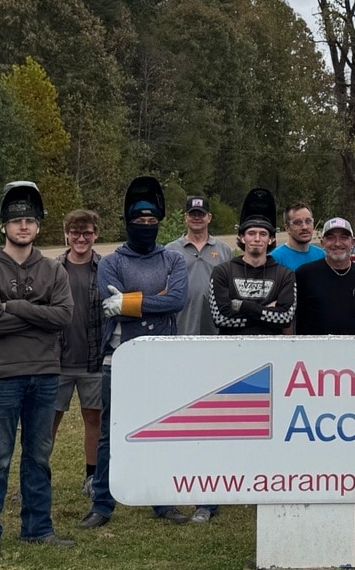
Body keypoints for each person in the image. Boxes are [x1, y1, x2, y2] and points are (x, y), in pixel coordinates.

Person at [0, 181, 74, 559]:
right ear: (4, 226)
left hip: (45, 372)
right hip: (0, 374)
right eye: (16, 221)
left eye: (30, 220)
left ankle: (37, 528)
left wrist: (16, 306)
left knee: (38, 455)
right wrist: (37, 314)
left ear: (38, 226)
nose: (24, 227)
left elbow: (63, 316)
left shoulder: (52, 269)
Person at [85, 177, 191, 527]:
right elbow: (108, 302)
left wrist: (130, 301)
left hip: (162, 358)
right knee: (109, 433)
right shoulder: (111, 262)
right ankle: (102, 503)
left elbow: (176, 300)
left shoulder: (173, 259)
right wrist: (154, 300)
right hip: (117, 357)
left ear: (159, 222)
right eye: (138, 222)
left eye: (151, 222)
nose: (145, 227)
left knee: (160, 430)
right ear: (128, 223)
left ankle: (161, 500)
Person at [53, 209, 106, 495]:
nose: (81, 238)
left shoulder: (106, 267)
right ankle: (36, 476)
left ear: (96, 235)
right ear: (67, 234)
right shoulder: (52, 267)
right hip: (56, 360)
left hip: (93, 359)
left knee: (93, 418)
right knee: (49, 419)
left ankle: (92, 476)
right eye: (75, 232)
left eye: (87, 233)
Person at [210, 189, 299, 338]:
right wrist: (267, 313)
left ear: (270, 239)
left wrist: (241, 305)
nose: (257, 239)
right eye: (251, 233)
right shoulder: (222, 272)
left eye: (263, 234)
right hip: (232, 351)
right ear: (242, 237)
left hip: (271, 353)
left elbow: (285, 318)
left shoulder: (285, 275)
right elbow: (220, 318)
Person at [294, 217, 355, 336]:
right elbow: (291, 318)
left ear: (352, 242)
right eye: (330, 238)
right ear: (322, 243)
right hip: (313, 352)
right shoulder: (304, 275)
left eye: (344, 237)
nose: (337, 243)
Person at [167, 193, 235, 337]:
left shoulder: (224, 250)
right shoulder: (170, 250)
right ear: (185, 217)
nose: (197, 218)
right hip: (181, 323)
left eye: (201, 214)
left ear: (209, 217)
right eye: (192, 214)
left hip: (216, 326)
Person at [271, 202, 324, 271]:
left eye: (308, 221)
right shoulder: (275, 259)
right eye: (298, 223)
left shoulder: (321, 255)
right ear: (287, 228)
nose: (304, 227)